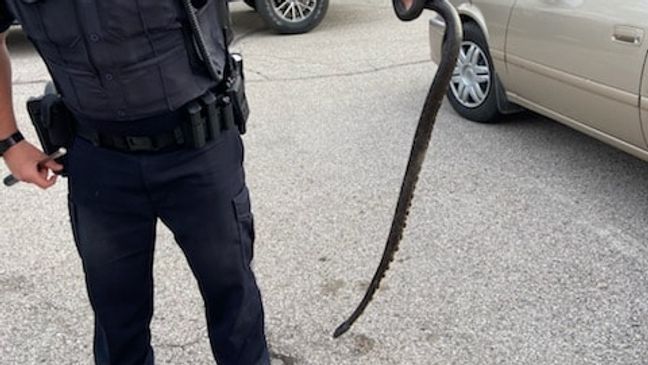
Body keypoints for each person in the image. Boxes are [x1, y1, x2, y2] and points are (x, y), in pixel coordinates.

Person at [0, 1, 269, 364]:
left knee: (235, 306)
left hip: (198, 148)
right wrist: (9, 142)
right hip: (99, 163)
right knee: (117, 320)